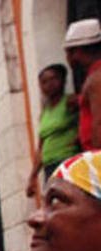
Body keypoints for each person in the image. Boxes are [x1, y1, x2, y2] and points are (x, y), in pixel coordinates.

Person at [26, 64, 80, 198]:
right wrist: (32, 177)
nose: (49, 84)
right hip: (50, 166)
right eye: (44, 82)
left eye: (53, 79)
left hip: (68, 161)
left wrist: (78, 137)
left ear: (63, 80)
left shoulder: (71, 102)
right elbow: (41, 147)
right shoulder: (45, 112)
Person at [65, 18, 101, 152]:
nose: (67, 57)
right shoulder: (93, 76)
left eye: (68, 51)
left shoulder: (97, 78)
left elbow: (99, 123)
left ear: (78, 51)